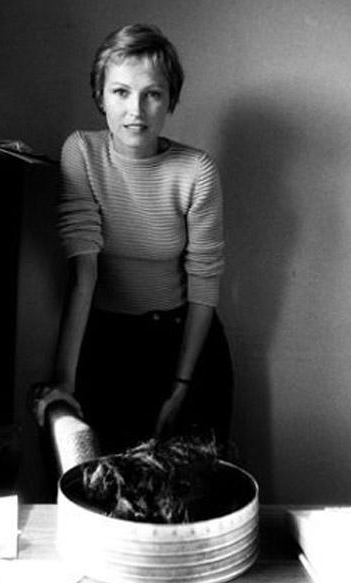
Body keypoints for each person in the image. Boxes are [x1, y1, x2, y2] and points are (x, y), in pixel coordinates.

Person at [35, 23, 234, 457]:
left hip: (184, 344)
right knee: (101, 479)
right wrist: (64, 380)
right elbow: (83, 272)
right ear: (100, 95)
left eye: (152, 94)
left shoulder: (196, 170)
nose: (136, 110)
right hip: (107, 342)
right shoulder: (81, 153)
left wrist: (181, 386)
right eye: (121, 92)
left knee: (191, 485)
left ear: (170, 100)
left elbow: (204, 286)